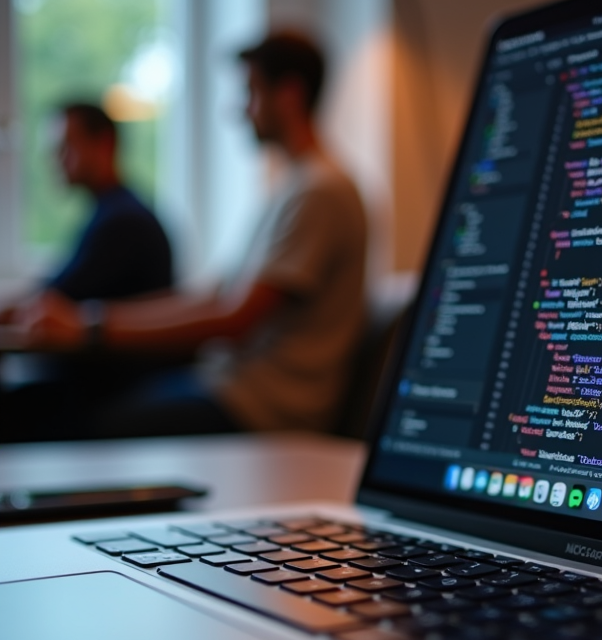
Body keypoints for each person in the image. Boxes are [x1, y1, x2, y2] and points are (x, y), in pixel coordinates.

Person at [7, 31, 367, 441]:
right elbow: (213, 296)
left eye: (250, 92)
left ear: (289, 94)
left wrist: (90, 328)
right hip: (228, 387)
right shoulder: (291, 187)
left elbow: (236, 319)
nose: (239, 109)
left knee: (88, 426)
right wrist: (92, 321)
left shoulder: (319, 192)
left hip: (262, 406)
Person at [1, 102, 173, 321]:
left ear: (104, 143)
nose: (56, 159)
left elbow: (55, 299)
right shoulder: (111, 211)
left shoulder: (122, 223)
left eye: (65, 147)